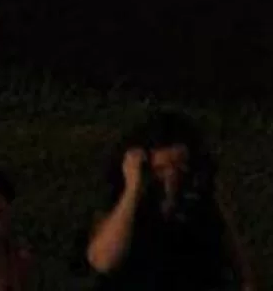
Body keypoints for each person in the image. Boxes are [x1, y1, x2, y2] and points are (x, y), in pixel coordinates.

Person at [85, 111, 253, 289]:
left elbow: (237, 264)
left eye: (179, 168)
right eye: (161, 169)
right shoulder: (123, 208)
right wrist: (133, 189)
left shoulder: (200, 207)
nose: (171, 179)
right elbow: (103, 260)